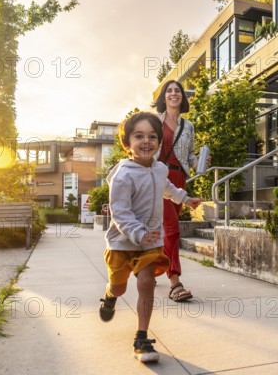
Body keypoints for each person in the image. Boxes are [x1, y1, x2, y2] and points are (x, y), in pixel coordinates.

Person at [98, 111, 201, 363]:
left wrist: (185, 200)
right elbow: (120, 214)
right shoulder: (123, 174)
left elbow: (168, 189)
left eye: (152, 136)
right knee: (120, 286)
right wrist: (138, 234)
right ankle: (110, 296)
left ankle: (141, 336)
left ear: (159, 142)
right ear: (127, 143)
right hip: (122, 242)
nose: (147, 142)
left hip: (150, 242)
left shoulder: (160, 169)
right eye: (139, 136)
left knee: (146, 282)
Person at [153, 80, 209, 302]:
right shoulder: (154, 121)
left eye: (177, 91)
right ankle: (175, 281)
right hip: (158, 177)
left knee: (165, 228)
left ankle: (153, 266)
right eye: (169, 91)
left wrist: (201, 161)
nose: (174, 94)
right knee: (172, 228)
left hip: (179, 178)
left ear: (182, 98)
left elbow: (191, 157)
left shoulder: (189, 126)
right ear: (163, 97)